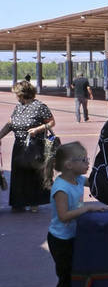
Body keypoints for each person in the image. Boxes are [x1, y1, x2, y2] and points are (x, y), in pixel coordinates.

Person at [46, 142, 108, 287]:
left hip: (74, 236)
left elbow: (96, 182)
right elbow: (64, 215)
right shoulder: (61, 188)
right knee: (66, 276)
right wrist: (88, 207)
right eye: (83, 160)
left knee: (79, 271)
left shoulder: (78, 180)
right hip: (60, 240)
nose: (87, 163)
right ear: (68, 165)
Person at [0, 80, 55, 211]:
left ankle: (34, 202)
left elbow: (52, 122)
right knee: (18, 174)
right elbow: (10, 124)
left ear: (24, 93)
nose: (16, 97)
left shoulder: (40, 106)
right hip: (19, 145)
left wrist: (38, 129)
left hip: (34, 145)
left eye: (17, 94)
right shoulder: (18, 107)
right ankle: (19, 202)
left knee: (33, 174)